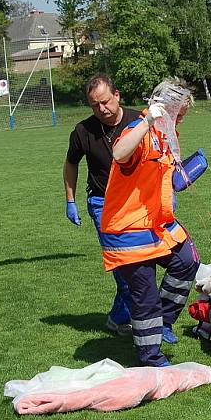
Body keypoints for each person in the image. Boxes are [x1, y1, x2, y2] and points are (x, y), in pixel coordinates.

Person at [99, 77, 200, 367]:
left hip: (157, 223)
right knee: (146, 298)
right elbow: (119, 154)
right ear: (165, 109)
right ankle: (150, 357)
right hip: (129, 229)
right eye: (179, 114)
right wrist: (146, 122)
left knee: (188, 260)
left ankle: (164, 322)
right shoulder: (141, 130)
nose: (181, 119)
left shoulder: (165, 134)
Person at [63, 75, 140, 336]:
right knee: (123, 266)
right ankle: (138, 321)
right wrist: (70, 200)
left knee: (140, 262)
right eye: (95, 105)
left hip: (137, 202)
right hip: (102, 203)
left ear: (117, 95)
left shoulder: (139, 121)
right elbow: (71, 163)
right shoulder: (83, 131)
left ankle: (118, 317)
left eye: (105, 102)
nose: (102, 109)